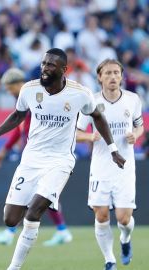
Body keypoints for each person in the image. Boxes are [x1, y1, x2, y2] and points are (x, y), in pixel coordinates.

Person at [0, 48, 125, 270]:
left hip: (60, 161)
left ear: (64, 70)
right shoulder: (29, 89)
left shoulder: (80, 93)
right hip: (31, 160)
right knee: (10, 219)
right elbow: (18, 116)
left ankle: (13, 268)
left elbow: (98, 117)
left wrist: (112, 149)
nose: (44, 68)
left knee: (34, 211)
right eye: (44, 64)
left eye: (51, 65)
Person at [0, 68, 73, 247]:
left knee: (34, 195)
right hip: (33, 154)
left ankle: (11, 233)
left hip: (40, 155)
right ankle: (62, 231)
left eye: (9, 87)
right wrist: (5, 150)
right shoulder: (28, 98)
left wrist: (6, 150)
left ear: (18, 84)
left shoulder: (35, 97)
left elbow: (24, 128)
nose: (8, 91)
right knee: (40, 196)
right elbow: (21, 129)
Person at [76, 59, 144, 270]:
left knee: (124, 219)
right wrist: (90, 137)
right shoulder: (91, 102)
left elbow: (139, 126)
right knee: (102, 214)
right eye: (108, 73)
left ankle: (125, 240)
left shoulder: (133, 100)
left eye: (116, 73)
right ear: (99, 77)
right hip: (101, 167)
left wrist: (135, 135)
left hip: (125, 166)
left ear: (122, 76)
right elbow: (75, 133)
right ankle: (109, 260)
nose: (113, 77)